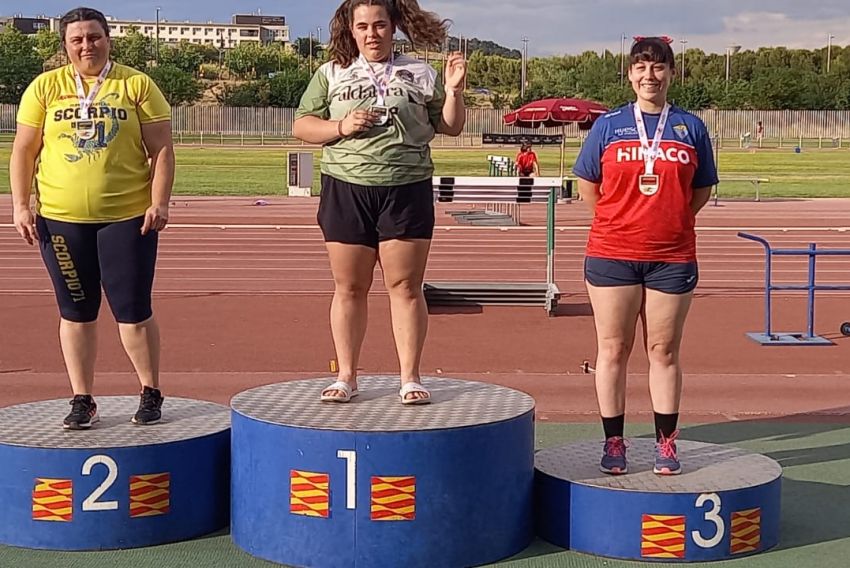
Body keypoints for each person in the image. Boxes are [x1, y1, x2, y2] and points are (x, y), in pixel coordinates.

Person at [292, 0, 466, 404]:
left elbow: (452, 126)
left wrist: (454, 90)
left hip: (406, 188)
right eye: (364, 26)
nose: (372, 34)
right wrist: (341, 125)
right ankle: (347, 376)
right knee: (350, 286)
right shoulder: (331, 72)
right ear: (350, 30)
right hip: (347, 187)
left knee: (405, 286)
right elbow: (302, 125)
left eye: (381, 25)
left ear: (395, 27)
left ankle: (410, 377)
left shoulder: (421, 72)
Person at [9, 7, 174, 429]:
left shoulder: (135, 84)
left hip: (127, 218)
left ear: (108, 39)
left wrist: (159, 202)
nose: (87, 45)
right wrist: (21, 205)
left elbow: (162, 150)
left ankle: (150, 391)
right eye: (78, 39)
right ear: (65, 45)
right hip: (61, 221)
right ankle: (82, 398)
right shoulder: (45, 88)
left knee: (132, 310)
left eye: (94, 37)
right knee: (75, 311)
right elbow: (24, 150)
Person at [572, 36, 718, 475]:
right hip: (613, 253)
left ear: (671, 73)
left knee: (664, 351)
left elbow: (701, 190)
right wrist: (622, 222)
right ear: (631, 74)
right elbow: (588, 186)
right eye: (641, 67)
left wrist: (668, 219)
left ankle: (666, 443)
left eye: (658, 67)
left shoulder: (690, 127)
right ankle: (614, 442)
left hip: (671, 257)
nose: (649, 75)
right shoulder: (609, 125)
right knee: (613, 349)